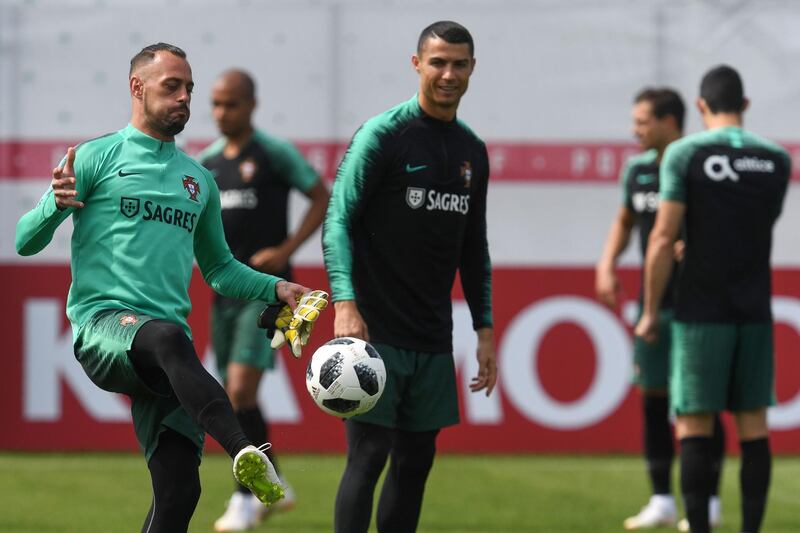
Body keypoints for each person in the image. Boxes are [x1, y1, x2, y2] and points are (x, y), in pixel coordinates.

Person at [14, 43, 325, 533]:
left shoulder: (198, 180)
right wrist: (54, 205)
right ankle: (245, 450)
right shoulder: (96, 157)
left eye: (189, 89)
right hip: (104, 328)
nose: (184, 98)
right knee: (166, 338)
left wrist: (277, 288)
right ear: (137, 88)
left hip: (164, 356)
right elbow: (23, 241)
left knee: (180, 491)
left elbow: (220, 269)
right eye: (171, 86)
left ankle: (240, 459)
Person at [322, 20, 497, 533]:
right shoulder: (384, 134)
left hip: (432, 335)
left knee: (416, 463)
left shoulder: (473, 151)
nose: (448, 74)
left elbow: (474, 246)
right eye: (438, 62)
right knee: (370, 454)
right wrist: (345, 303)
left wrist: (484, 329)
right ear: (417, 63)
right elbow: (338, 219)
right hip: (373, 330)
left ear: (471, 68)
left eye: (459, 63)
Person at [635, 65, 791, 533]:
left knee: (695, 425)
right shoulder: (777, 160)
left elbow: (663, 238)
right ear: (744, 105)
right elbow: (756, 225)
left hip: (700, 312)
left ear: (700, 106)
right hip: (754, 311)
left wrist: (649, 311)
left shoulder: (683, 154)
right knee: (753, 427)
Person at [197, 68, 330, 532]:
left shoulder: (274, 154)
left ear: (251, 104)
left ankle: (244, 499)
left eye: (230, 103)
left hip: (268, 290)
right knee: (240, 398)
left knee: (237, 392)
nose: (220, 113)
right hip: (225, 293)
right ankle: (274, 483)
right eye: (214, 103)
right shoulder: (207, 163)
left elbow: (320, 196)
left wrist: (287, 250)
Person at [596, 88, 726, 530]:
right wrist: (606, 262)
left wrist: (704, 247)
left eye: (643, 121)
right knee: (653, 400)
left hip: (699, 306)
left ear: (671, 121)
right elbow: (625, 220)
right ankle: (662, 499)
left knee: (701, 406)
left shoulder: (700, 164)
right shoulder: (636, 170)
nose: (635, 129)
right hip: (654, 304)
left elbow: (728, 225)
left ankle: (707, 502)